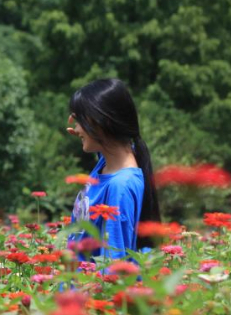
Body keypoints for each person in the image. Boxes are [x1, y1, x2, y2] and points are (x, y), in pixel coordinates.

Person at [66, 78, 160, 259]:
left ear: (101, 123)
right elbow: (111, 142)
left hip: (91, 285)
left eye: (80, 122)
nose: (75, 128)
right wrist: (86, 130)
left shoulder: (120, 187)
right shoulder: (108, 163)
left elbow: (113, 266)